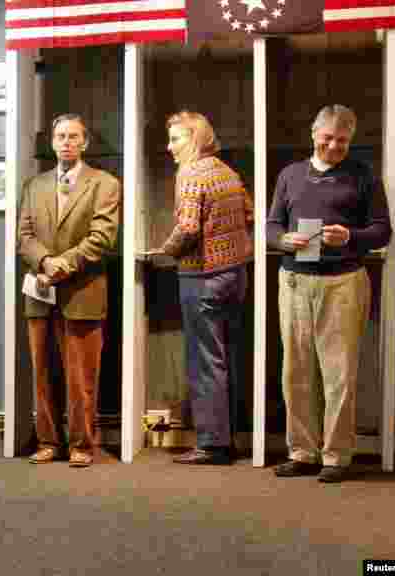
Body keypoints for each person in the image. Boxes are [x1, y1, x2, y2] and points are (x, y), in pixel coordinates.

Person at [267, 105, 391, 483]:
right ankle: (302, 452)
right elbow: (271, 225)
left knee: (339, 374)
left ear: (350, 141)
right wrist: (283, 239)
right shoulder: (290, 175)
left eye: (342, 140)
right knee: (295, 371)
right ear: (313, 133)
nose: (334, 145)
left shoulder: (363, 175)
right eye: (328, 137)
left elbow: (382, 230)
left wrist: (351, 236)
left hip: (343, 283)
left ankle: (336, 456)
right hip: (294, 281)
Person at [17, 113, 120, 467]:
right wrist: (46, 263)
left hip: (83, 290)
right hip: (40, 292)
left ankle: (81, 445)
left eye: (73, 136)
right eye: (61, 136)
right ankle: (47, 441)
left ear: (85, 142)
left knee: (81, 378)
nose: (66, 142)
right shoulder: (34, 185)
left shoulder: (104, 184)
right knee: (42, 374)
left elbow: (102, 239)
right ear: (53, 143)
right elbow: (24, 236)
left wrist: (62, 266)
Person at [154, 111, 253, 466]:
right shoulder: (227, 172)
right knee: (227, 357)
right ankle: (228, 438)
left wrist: (163, 251)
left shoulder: (191, 173)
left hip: (202, 276)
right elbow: (250, 215)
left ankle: (213, 445)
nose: (169, 147)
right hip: (236, 274)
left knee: (204, 361)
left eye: (176, 139)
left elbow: (189, 228)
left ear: (195, 139)